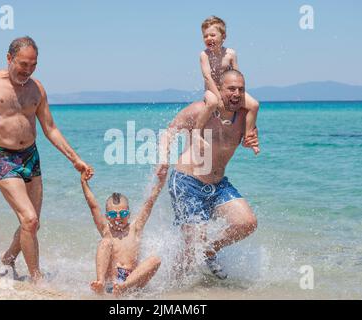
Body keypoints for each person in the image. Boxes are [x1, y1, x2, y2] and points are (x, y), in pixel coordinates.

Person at [0, 36, 93, 283]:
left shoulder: (37, 89)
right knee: (29, 218)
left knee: (32, 224)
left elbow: (50, 128)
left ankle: (8, 259)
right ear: (9, 58)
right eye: (22, 64)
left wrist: (75, 159)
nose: (27, 70)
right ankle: (37, 280)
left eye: (33, 65)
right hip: (0, 155)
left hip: (30, 155)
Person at [156, 69, 259, 279]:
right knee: (192, 246)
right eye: (231, 89)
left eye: (241, 89)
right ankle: (171, 288)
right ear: (219, 90)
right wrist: (163, 160)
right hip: (187, 183)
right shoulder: (199, 110)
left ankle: (210, 251)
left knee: (246, 223)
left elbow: (251, 137)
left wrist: (252, 142)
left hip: (218, 185)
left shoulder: (244, 118)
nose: (236, 94)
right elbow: (169, 132)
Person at [81, 172, 165, 295]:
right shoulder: (106, 230)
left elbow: (149, 203)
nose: (118, 217)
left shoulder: (135, 228)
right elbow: (93, 206)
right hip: (111, 284)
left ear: (129, 214)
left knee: (155, 260)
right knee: (105, 242)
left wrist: (161, 181)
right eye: (113, 214)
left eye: (123, 213)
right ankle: (100, 283)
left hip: (133, 284)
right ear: (107, 217)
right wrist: (84, 182)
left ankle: (124, 286)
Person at [200, 16, 260, 154]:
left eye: (212, 35)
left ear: (223, 36)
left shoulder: (230, 54)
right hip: (211, 90)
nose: (208, 38)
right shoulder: (204, 55)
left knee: (254, 105)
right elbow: (207, 77)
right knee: (212, 103)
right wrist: (219, 97)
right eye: (205, 36)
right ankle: (198, 133)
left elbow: (237, 75)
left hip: (229, 91)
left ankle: (248, 137)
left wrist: (239, 94)